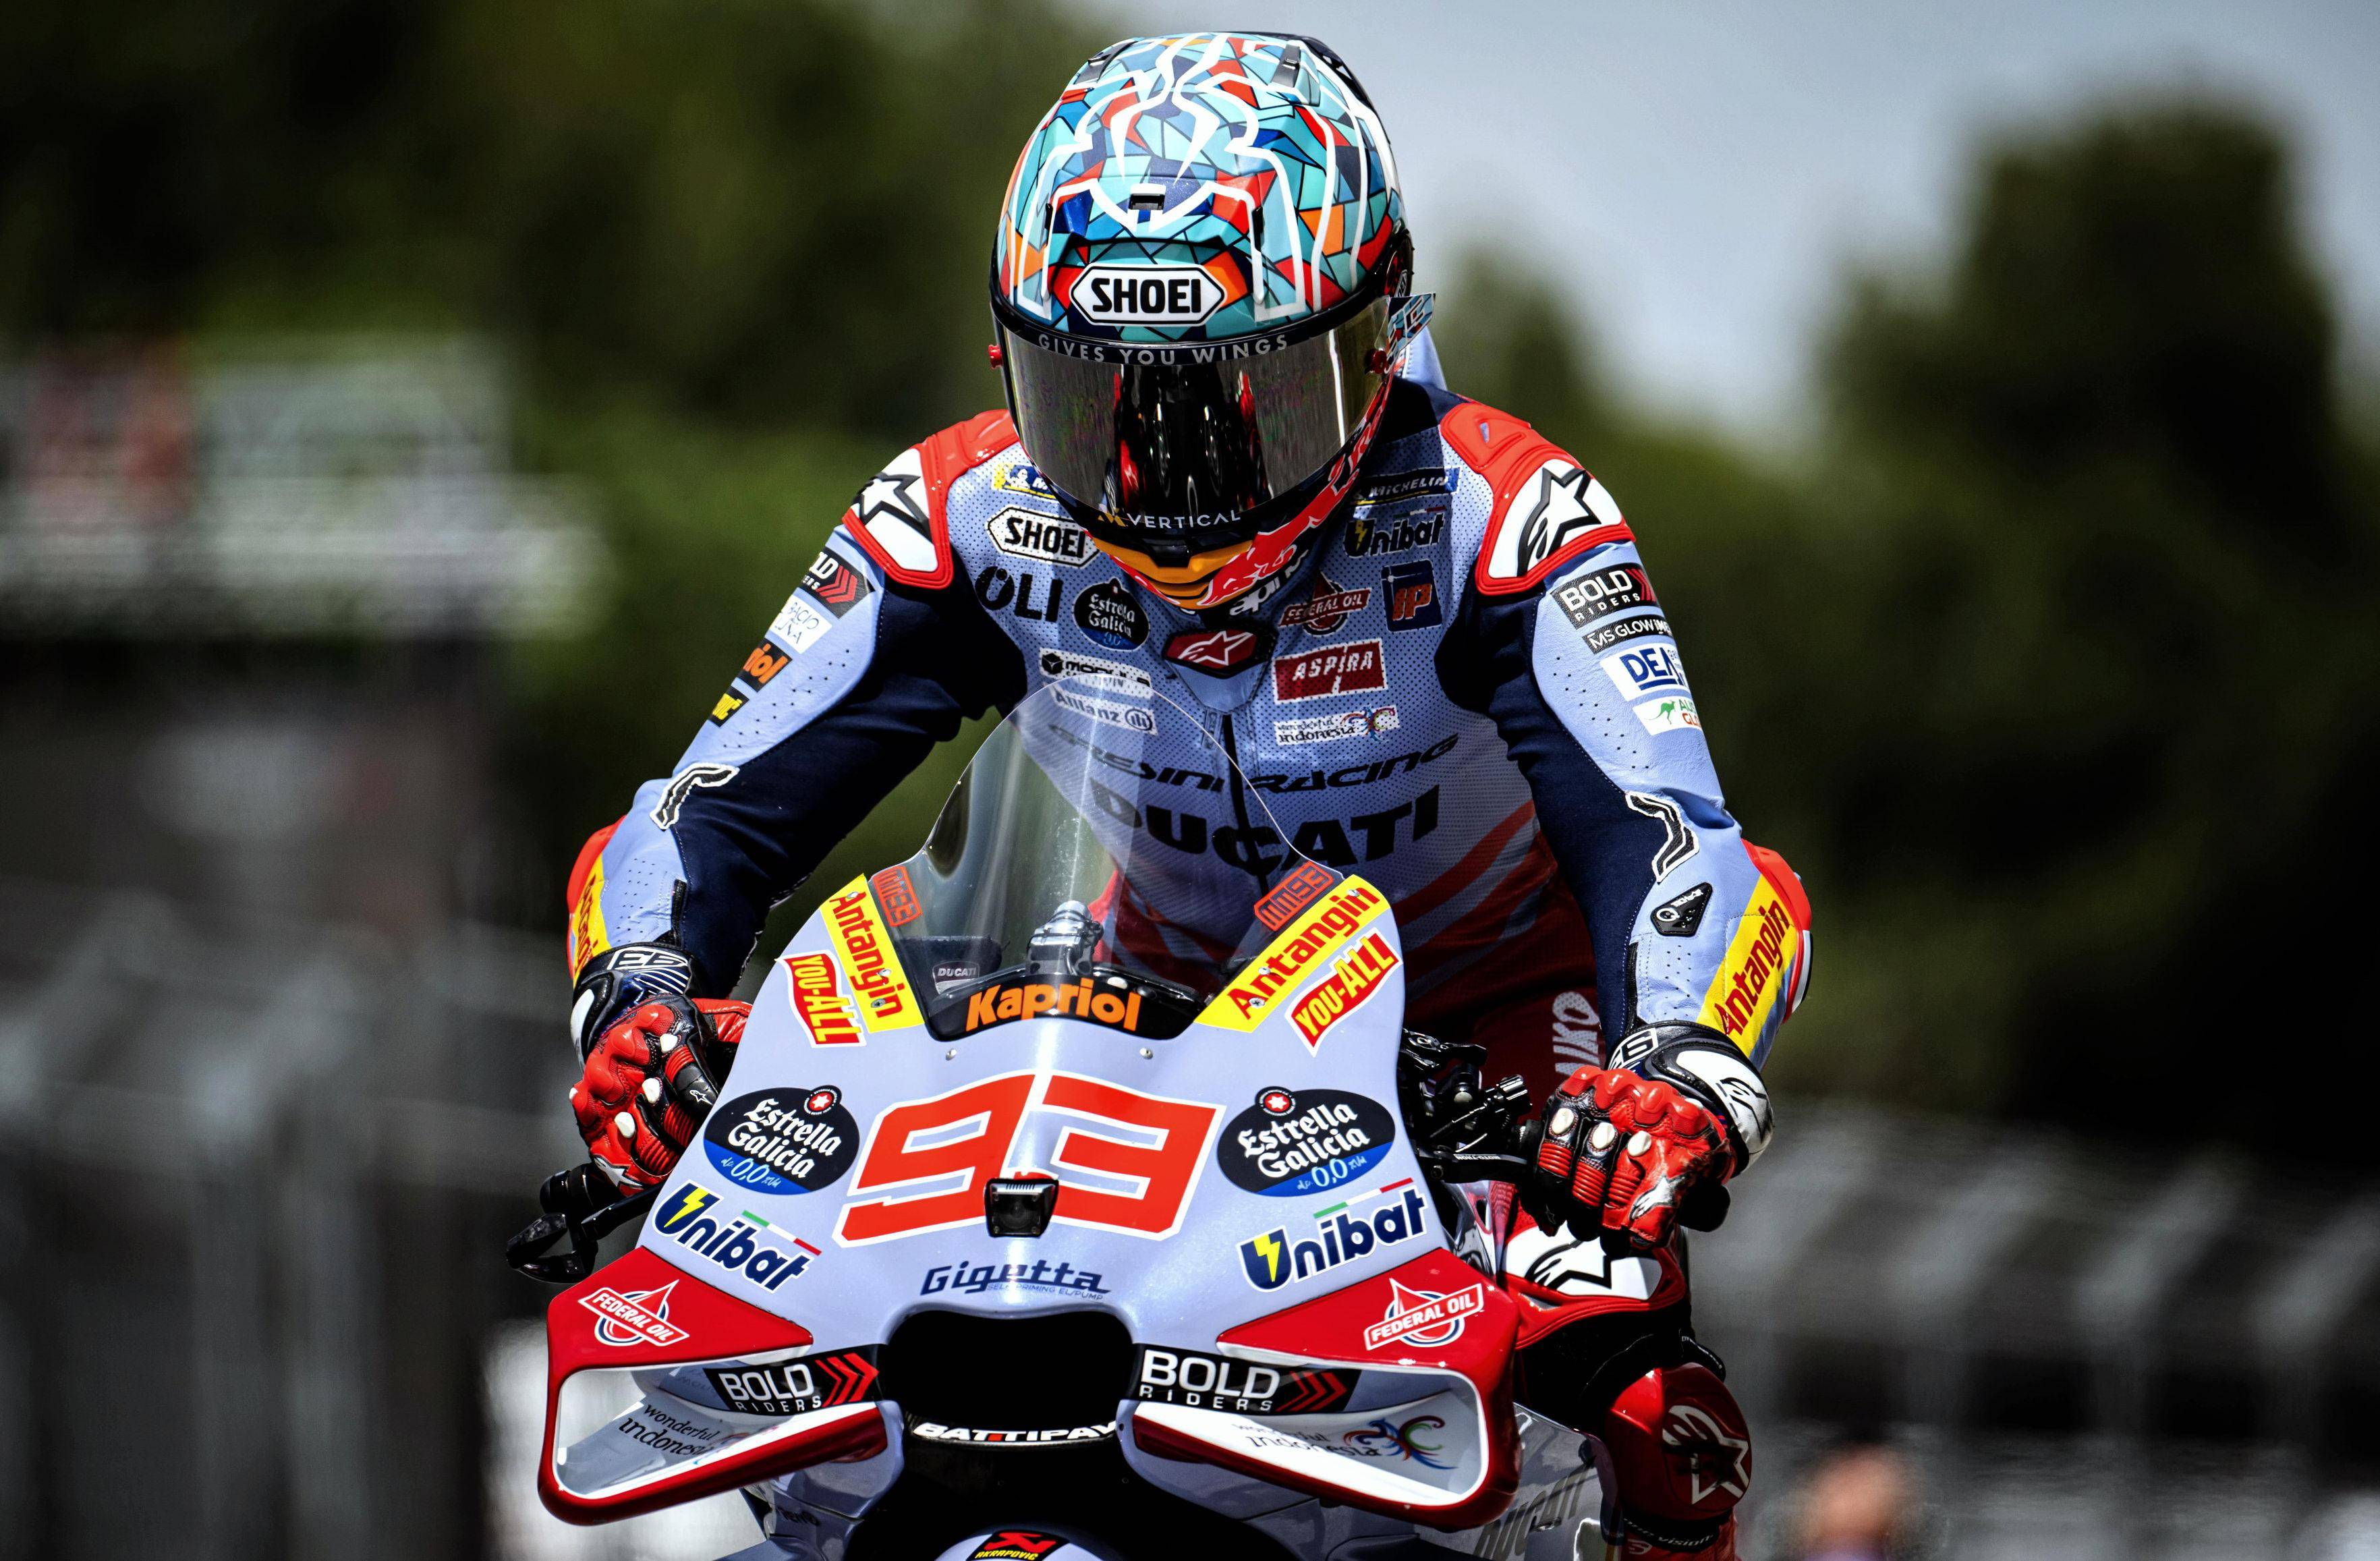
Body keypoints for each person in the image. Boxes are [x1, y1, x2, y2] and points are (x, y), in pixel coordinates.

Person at [559, 32, 1811, 1560]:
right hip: (1139, 1028)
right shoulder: (960, 506)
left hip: (1489, 1039)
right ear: (1010, 360)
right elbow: (700, 808)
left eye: (1246, 403)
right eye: (1096, 403)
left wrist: (1674, 1065)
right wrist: (640, 995)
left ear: (1379, 334)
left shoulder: (1506, 515)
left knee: (1644, 1402)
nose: (1166, 482)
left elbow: (1681, 837)